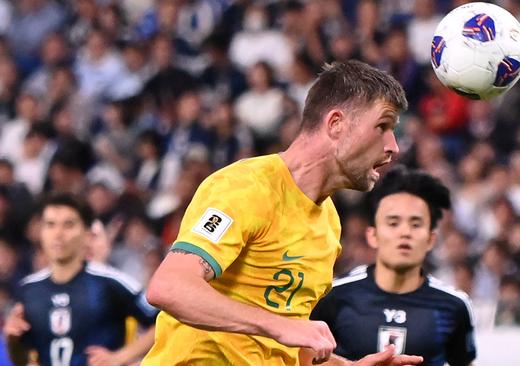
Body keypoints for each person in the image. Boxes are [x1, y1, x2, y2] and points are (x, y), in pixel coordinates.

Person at [141, 60, 424, 366]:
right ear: (336, 125)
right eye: (382, 127)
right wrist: (280, 326)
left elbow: (291, 344)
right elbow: (169, 287)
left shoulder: (329, 222)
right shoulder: (246, 187)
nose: (393, 146)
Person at [311, 165, 477, 366]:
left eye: (416, 224)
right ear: (372, 235)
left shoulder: (454, 305)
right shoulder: (333, 295)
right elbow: (305, 358)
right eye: (393, 223)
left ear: (431, 239)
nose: (405, 232)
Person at [2, 193, 158, 366]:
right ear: (41, 233)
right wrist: (12, 341)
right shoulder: (28, 289)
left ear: (87, 233)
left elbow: (161, 321)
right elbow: (22, 360)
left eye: (68, 225)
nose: (58, 234)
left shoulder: (111, 282)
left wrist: (120, 357)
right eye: (50, 225)